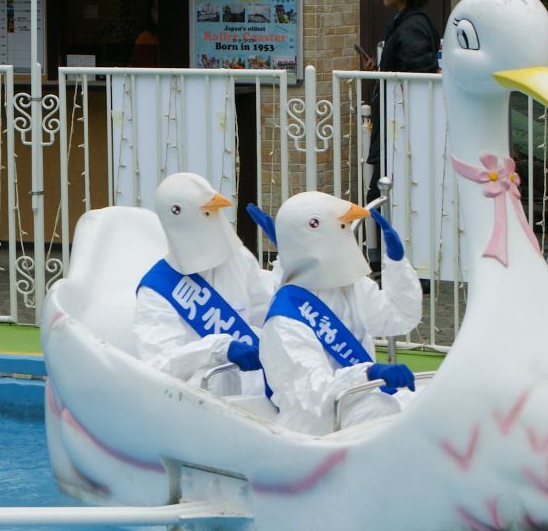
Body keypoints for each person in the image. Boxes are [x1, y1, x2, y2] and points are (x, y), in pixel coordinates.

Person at [260, 191, 423, 435]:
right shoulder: (284, 320)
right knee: (381, 409)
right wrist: (367, 373)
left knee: (429, 398)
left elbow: (399, 318)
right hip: (313, 425)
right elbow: (314, 393)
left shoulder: (352, 287)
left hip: (360, 399)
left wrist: (397, 263)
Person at [134, 172, 278, 396]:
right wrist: (217, 349)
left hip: (259, 394)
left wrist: (291, 262)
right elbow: (158, 364)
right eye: (207, 213)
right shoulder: (156, 290)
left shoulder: (238, 259)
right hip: (199, 401)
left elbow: (271, 314)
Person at [362, 0, 440, 267]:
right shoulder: (408, 22)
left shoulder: (413, 26)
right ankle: (393, 262)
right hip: (396, 127)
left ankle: (395, 263)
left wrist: (388, 77)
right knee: (385, 193)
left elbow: (417, 76)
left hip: (401, 130)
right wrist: (381, 71)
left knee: (384, 193)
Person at [129, 0, 159, 67]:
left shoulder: (178, 39)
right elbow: (134, 69)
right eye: (155, 8)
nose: (156, 13)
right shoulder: (144, 39)